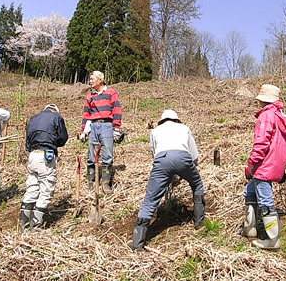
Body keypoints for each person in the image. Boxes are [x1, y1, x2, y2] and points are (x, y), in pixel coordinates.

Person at [128, 109, 205, 251]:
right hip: (184, 158)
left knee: (150, 200)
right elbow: (194, 157)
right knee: (197, 185)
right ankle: (199, 222)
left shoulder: (155, 131)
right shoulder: (184, 128)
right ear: (176, 120)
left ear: (161, 121)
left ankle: (137, 242)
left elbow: (155, 154)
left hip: (162, 161)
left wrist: (167, 173)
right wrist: (185, 171)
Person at [243, 84, 286, 250]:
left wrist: (251, 163)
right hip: (276, 164)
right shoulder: (280, 115)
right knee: (250, 191)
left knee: (265, 200)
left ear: (262, 100)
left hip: (264, 165)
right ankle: (250, 229)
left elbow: (261, 143)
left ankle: (272, 239)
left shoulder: (266, 116)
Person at [18, 104, 69, 230]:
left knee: (32, 187)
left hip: (32, 156)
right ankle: (36, 225)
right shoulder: (56, 117)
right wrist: (54, 143)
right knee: (46, 189)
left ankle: (23, 221)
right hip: (46, 157)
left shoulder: (33, 118)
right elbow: (63, 138)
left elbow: (27, 142)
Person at [78, 70, 122, 195]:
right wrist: (83, 131)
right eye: (89, 79)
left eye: (92, 79)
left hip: (106, 125)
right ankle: (91, 183)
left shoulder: (111, 93)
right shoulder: (90, 97)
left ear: (100, 80)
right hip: (93, 126)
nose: (90, 81)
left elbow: (117, 110)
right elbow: (86, 115)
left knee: (107, 155)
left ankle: (106, 184)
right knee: (92, 156)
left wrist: (116, 127)